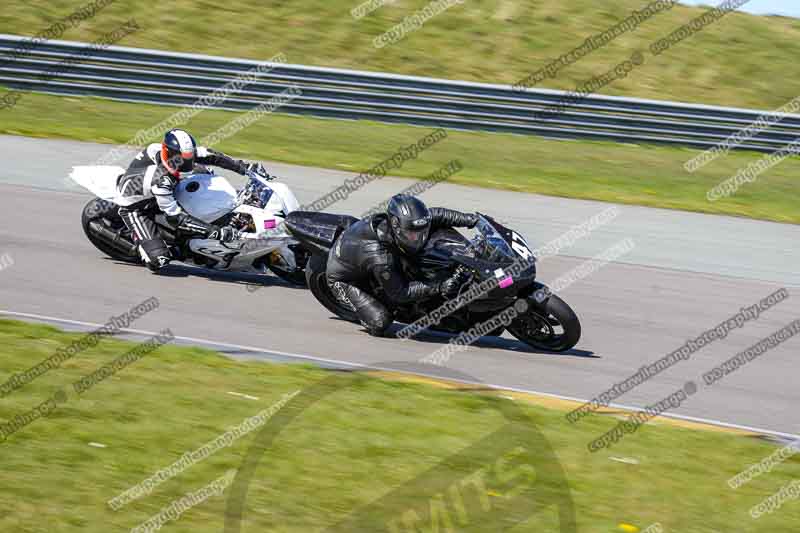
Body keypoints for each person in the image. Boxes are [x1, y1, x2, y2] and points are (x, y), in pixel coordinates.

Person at [116, 128, 270, 271]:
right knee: (159, 261)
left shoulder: (175, 155)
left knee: (205, 172)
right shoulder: (161, 181)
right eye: (184, 160)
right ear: (172, 156)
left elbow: (214, 157)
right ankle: (139, 239)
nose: (188, 163)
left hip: (161, 186)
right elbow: (175, 218)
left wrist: (246, 168)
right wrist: (213, 231)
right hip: (136, 206)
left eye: (189, 158)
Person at [327, 194, 478, 337]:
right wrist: (439, 286)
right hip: (343, 279)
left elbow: (437, 214)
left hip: (359, 250)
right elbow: (401, 293)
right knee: (380, 322)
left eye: (421, 232)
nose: (418, 238)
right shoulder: (380, 257)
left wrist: (471, 220)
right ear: (396, 228)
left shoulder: (409, 221)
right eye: (411, 234)